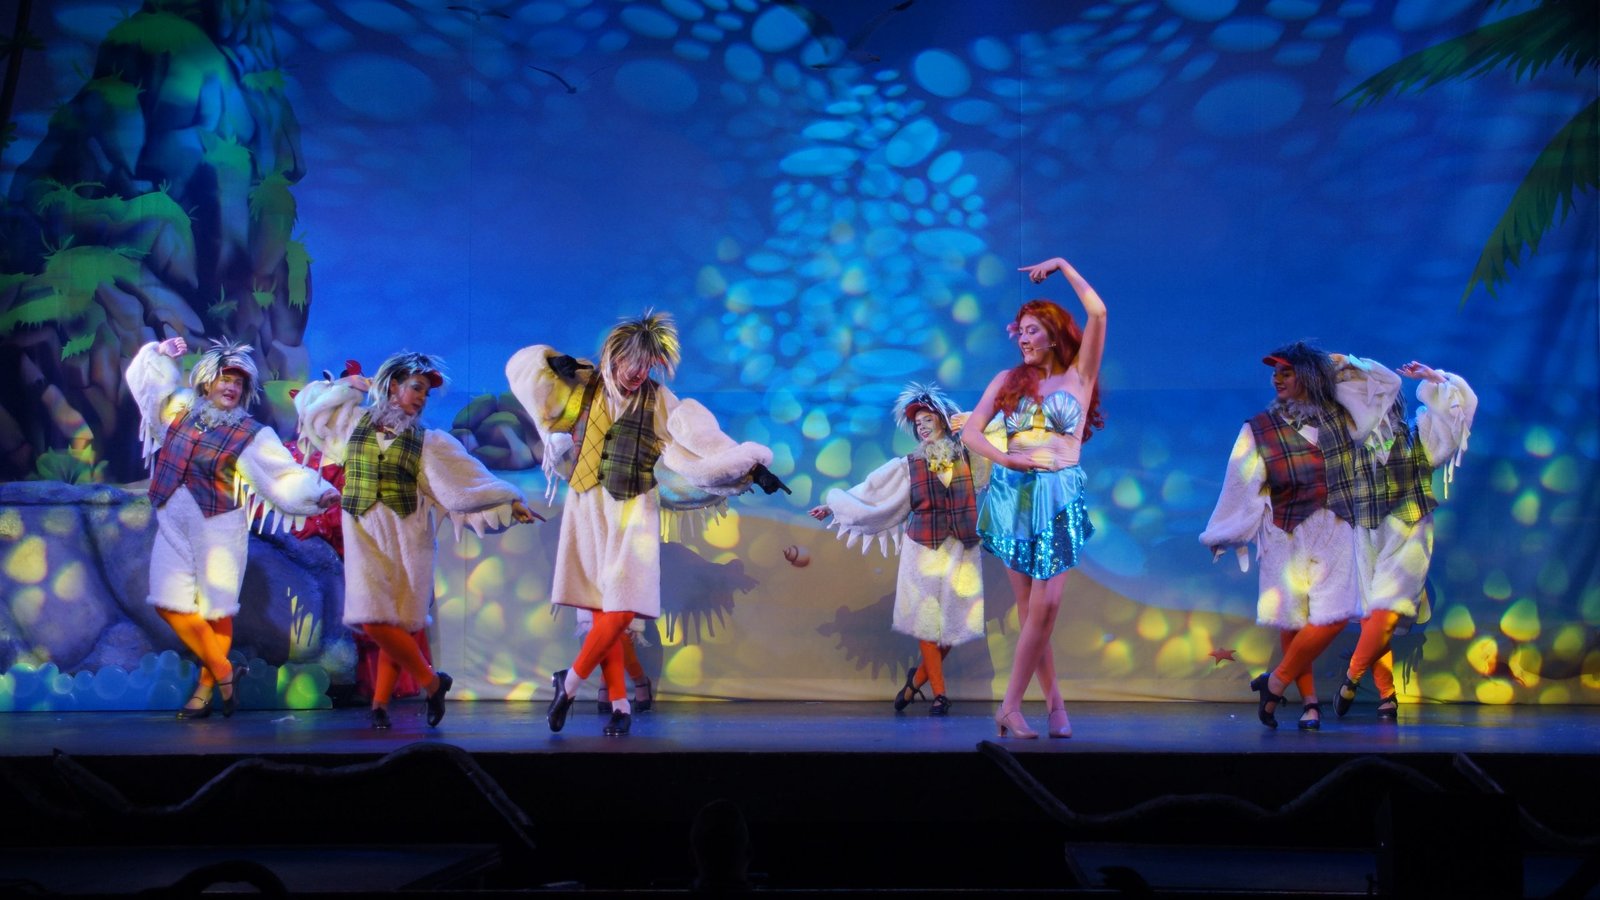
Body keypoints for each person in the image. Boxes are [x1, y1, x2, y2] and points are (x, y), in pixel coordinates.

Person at [507, 310, 786, 737]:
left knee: (621, 609)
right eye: (633, 362)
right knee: (600, 611)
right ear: (615, 356)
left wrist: (748, 467)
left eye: (647, 365)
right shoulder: (584, 384)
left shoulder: (659, 400)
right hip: (587, 505)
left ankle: (569, 683)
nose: (639, 373)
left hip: (633, 509)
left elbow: (699, 441)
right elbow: (524, 373)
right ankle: (620, 705)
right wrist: (550, 362)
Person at [293, 352, 540, 729]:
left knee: (397, 620)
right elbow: (312, 406)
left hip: (408, 536)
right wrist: (350, 385)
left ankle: (379, 705)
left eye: (425, 392)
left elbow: (467, 480)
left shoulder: (428, 442)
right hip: (363, 531)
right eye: (416, 388)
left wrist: (510, 500)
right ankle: (432, 682)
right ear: (393, 386)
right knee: (372, 618)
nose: (422, 397)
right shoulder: (354, 422)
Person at [126, 336, 339, 719]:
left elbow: (281, 473)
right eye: (225, 378)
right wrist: (159, 356)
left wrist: (316, 492)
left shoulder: (250, 433)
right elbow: (149, 390)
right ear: (207, 380)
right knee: (168, 604)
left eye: (238, 382)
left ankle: (205, 690)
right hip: (172, 520)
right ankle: (226, 671)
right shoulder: (178, 408)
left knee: (217, 611)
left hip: (219, 529)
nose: (231, 387)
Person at [1200, 343, 1397, 729]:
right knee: (1293, 617)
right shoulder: (1258, 428)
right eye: (1275, 373)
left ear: (1308, 376)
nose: (1277, 379)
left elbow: (1388, 387)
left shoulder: (1343, 418)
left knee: (1335, 615)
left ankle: (1275, 683)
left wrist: (1346, 363)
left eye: (1287, 372)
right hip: (1284, 530)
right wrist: (1226, 531)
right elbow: (1241, 481)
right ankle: (1309, 704)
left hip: (1336, 524)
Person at [960, 257, 1107, 739]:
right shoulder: (1008, 380)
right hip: (1014, 493)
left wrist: (1063, 265)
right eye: (1018, 331)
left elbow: (1099, 312)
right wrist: (1006, 460)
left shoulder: (1080, 374)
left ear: (1053, 334)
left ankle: (1010, 706)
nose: (1022, 339)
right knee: (1029, 612)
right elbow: (971, 434)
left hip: (1057, 492)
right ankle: (1053, 706)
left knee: (1046, 608)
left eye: (1031, 331)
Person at [810, 382, 989, 716]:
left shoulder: (971, 457)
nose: (922, 427)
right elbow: (870, 491)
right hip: (922, 548)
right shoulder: (908, 465)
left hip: (961, 548)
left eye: (927, 420)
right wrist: (832, 506)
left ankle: (915, 681)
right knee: (926, 622)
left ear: (943, 420)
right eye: (917, 423)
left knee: (954, 625)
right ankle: (940, 695)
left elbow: (994, 441)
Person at [1335, 361, 1476, 720]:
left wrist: (1436, 380)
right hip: (1367, 533)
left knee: (1387, 610)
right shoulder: (1349, 443)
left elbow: (1454, 418)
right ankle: (1387, 694)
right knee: (1373, 616)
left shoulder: (1418, 433)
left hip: (1409, 529)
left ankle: (1351, 678)